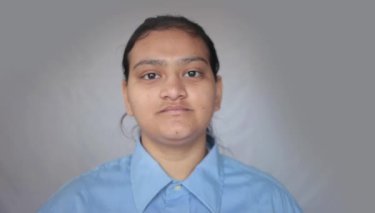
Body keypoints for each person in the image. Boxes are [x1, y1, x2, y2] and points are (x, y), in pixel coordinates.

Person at [39, 15, 302, 213]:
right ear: (127, 96)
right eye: (151, 75)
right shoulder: (75, 203)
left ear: (217, 92)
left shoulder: (271, 201)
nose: (174, 90)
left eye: (192, 73)